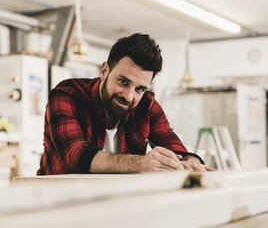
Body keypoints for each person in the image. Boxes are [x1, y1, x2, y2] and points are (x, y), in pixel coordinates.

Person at [38, 33, 211, 175]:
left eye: (140, 88)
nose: (128, 96)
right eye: (123, 81)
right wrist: (140, 163)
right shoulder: (68, 94)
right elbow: (76, 157)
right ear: (104, 70)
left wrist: (191, 162)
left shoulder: (147, 105)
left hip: (117, 204)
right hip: (58, 203)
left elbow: (176, 150)